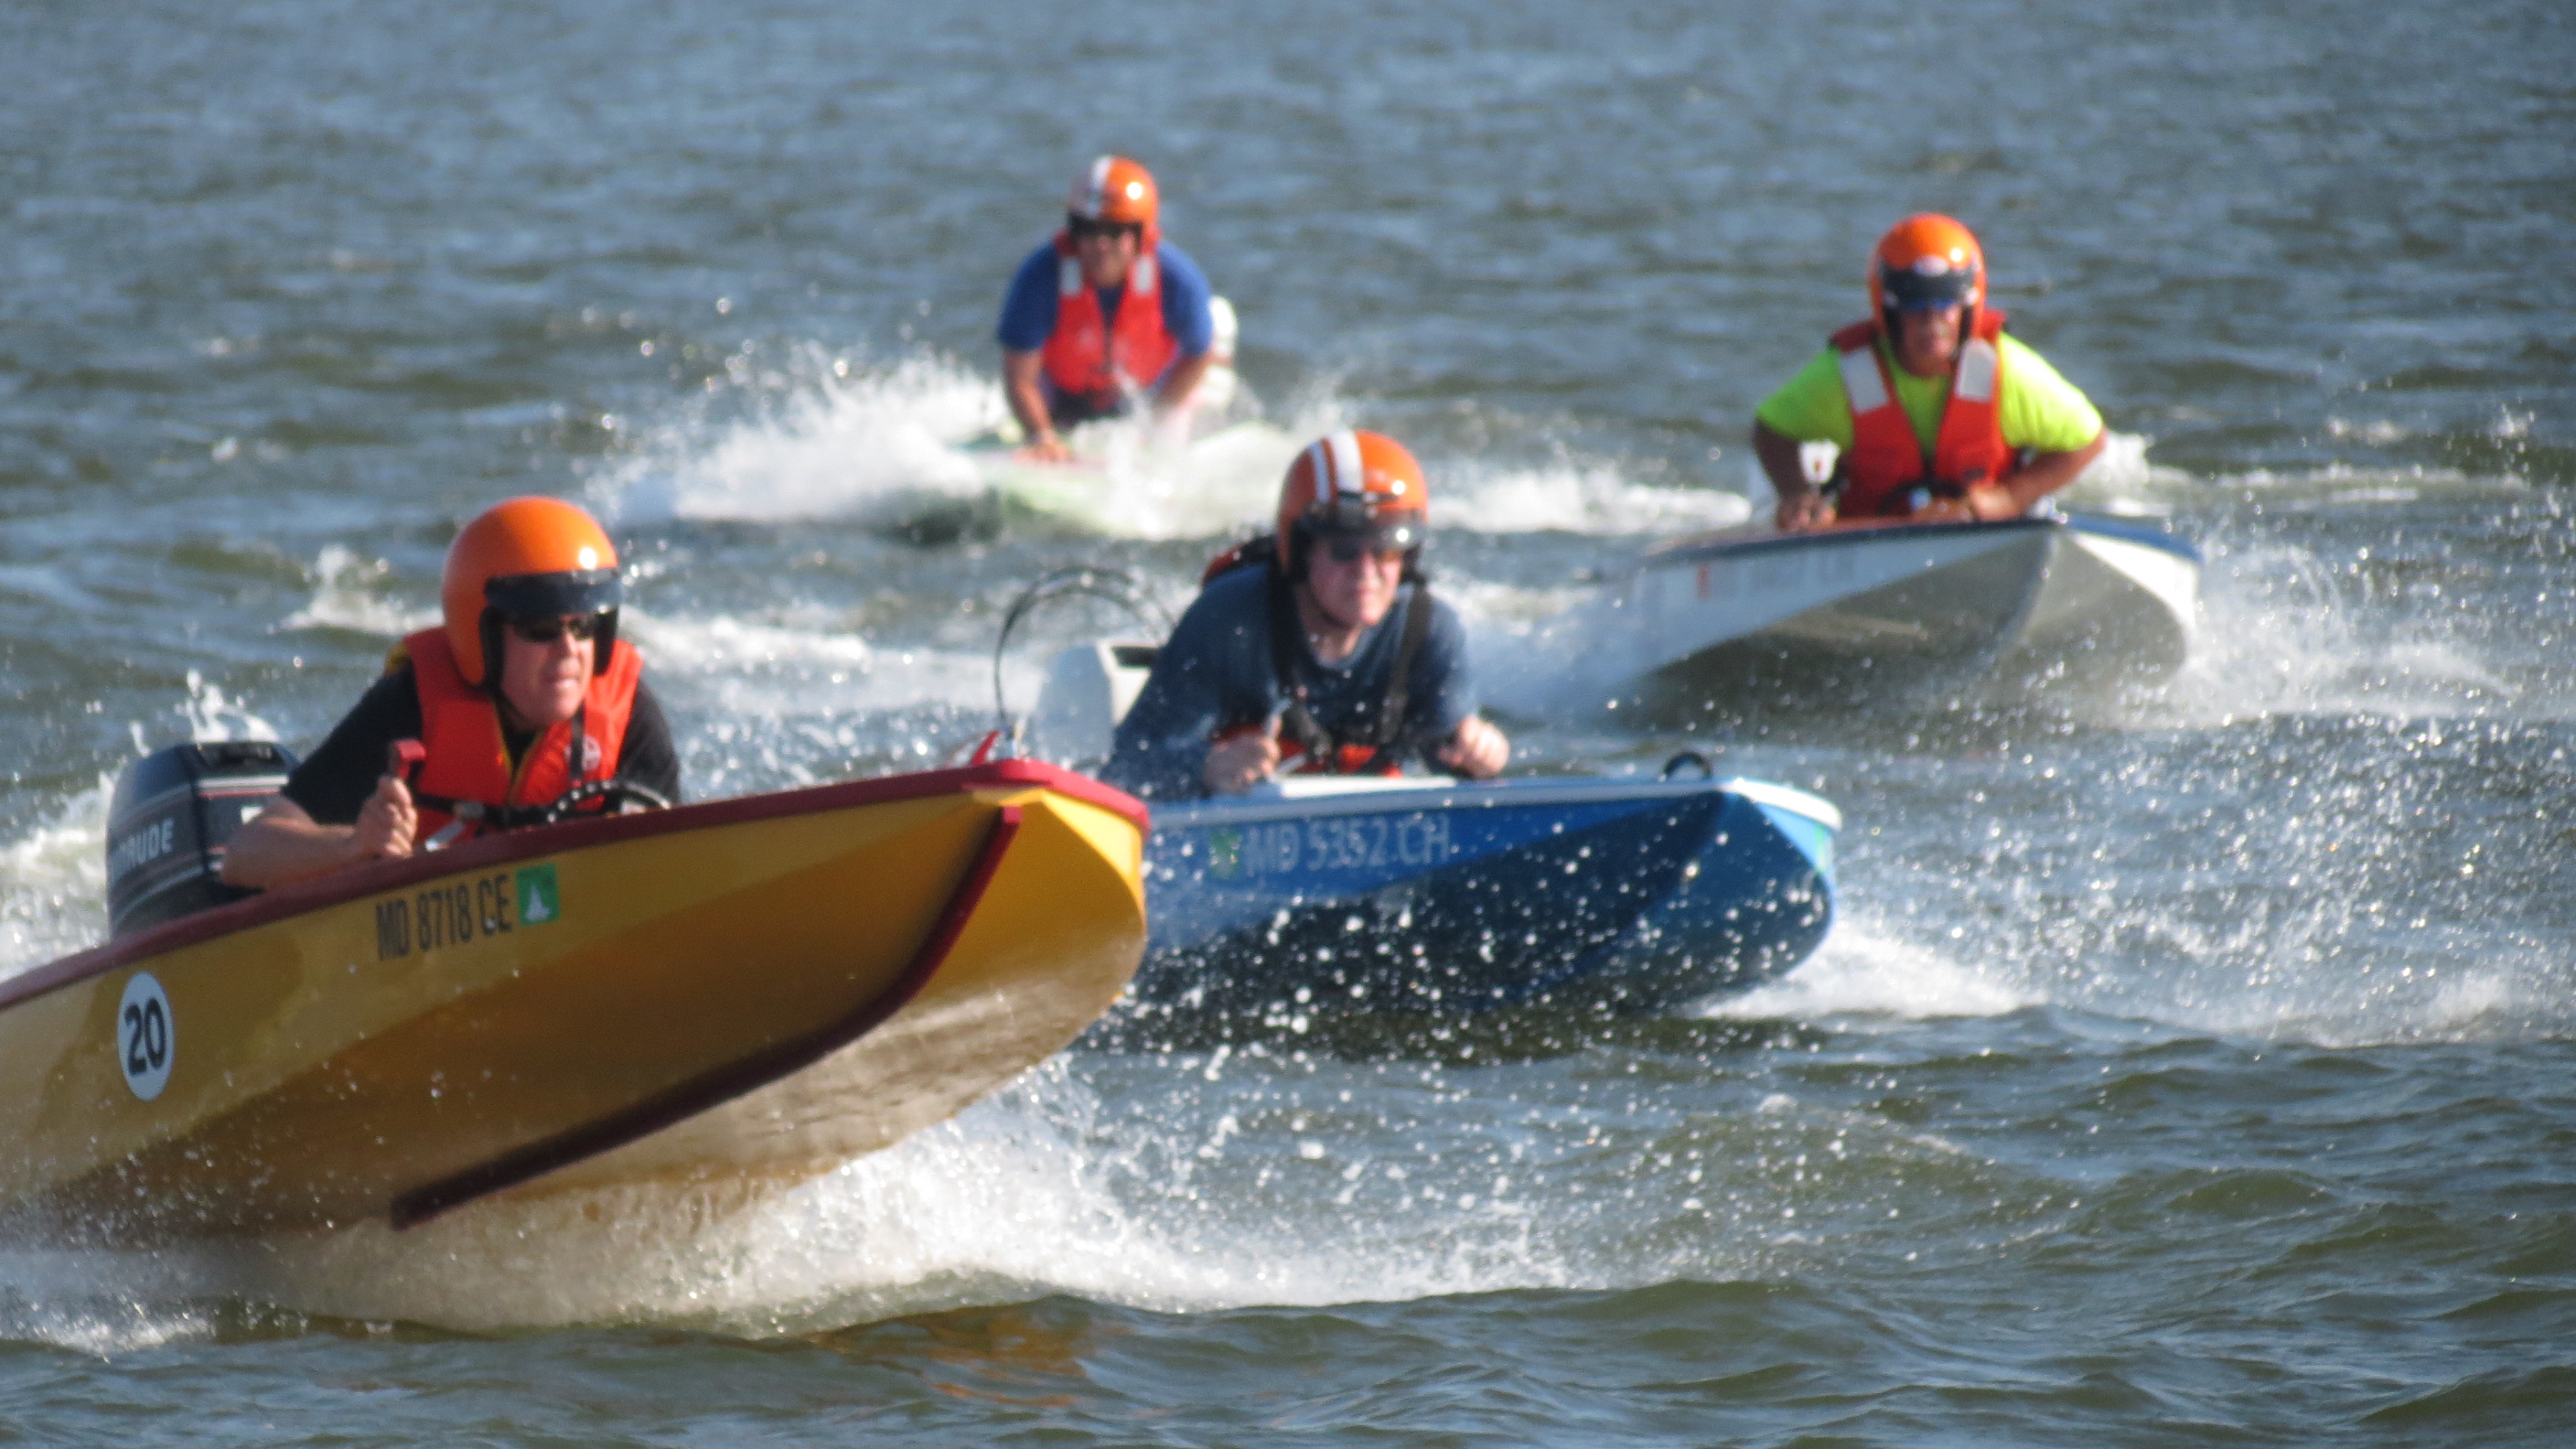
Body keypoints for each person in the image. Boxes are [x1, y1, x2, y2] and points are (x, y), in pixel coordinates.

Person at [224, 498, 682, 889]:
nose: (568, 650)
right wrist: (354, 846)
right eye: (539, 628)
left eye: (583, 627)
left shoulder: (628, 714)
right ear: (479, 636)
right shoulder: (411, 706)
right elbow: (245, 856)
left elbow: (680, 867)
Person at [1102, 429, 1509, 800]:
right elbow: (1124, 769)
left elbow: (1450, 768)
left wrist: (1479, 756)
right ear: (1300, 552)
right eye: (1345, 550)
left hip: (1375, 832)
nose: (1366, 573)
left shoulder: (1430, 630)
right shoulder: (1229, 621)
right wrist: (1207, 768)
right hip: (1229, 848)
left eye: (1385, 549)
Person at [1753, 214, 2109, 531]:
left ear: (1968, 307)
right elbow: (1771, 429)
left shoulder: (2007, 370)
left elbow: (2088, 440)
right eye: (1914, 304)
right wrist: (1797, 494)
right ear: (1888, 309)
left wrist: (2009, 498)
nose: (1931, 321)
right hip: (1867, 539)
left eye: (1944, 303)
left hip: (1985, 538)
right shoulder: (1849, 374)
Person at [995, 156, 1218, 463]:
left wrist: (1155, 419)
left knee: (1165, 449)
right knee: (1040, 439)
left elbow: (1199, 353)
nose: (1099, 244)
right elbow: (1020, 378)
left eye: (1115, 231)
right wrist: (1042, 436)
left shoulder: (1177, 278)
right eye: (1087, 229)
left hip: (1150, 395)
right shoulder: (1039, 277)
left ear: (1141, 235)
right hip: (1063, 394)